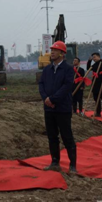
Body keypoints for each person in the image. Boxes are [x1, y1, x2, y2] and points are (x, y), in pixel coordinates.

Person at [38, 41, 77, 174]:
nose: (52, 52)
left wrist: (53, 99)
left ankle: (73, 165)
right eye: (52, 50)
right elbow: (41, 85)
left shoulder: (68, 69)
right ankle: (55, 162)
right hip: (49, 109)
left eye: (55, 50)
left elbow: (67, 87)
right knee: (52, 136)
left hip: (62, 108)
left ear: (62, 53)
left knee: (67, 136)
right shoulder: (47, 69)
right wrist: (46, 99)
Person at [87, 52, 102, 118]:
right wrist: (89, 61)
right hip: (95, 84)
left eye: (94, 57)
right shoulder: (94, 65)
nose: (93, 59)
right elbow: (88, 68)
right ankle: (98, 112)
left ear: (98, 56)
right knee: (96, 99)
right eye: (93, 58)